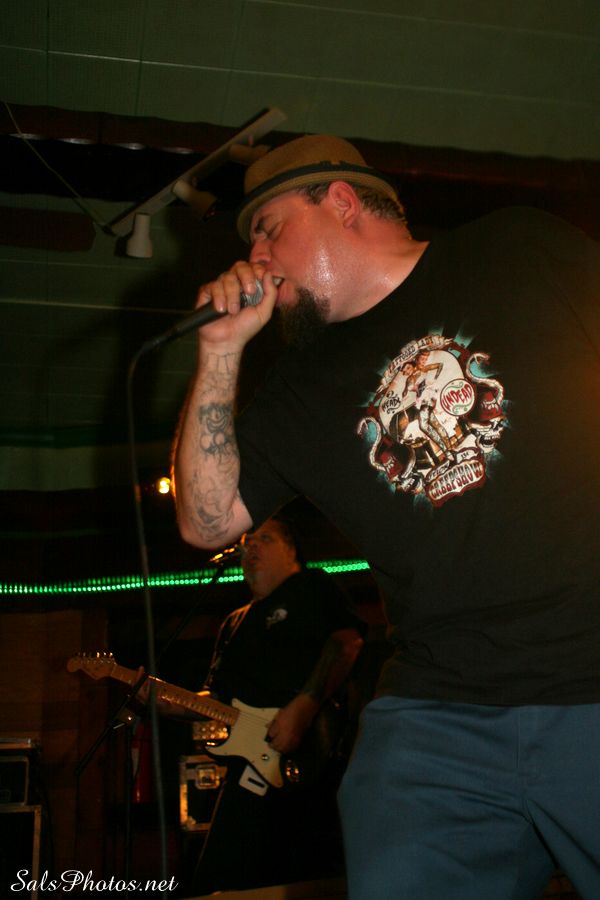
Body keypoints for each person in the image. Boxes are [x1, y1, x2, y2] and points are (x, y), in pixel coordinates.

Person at [172, 133, 600, 899]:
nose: (256, 257)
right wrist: (219, 353)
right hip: (438, 711)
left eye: (269, 228)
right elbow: (206, 522)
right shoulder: (298, 389)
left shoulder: (514, 249)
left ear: (341, 201)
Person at [191, 513, 364, 894]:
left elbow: (346, 642)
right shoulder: (233, 623)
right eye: (246, 542)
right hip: (248, 770)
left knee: (313, 880)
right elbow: (215, 698)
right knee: (222, 884)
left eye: (265, 539)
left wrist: (304, 707)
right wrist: (160, 698)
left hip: (311, 762)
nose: (251, 546)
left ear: (291, 551)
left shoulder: (312, 586)